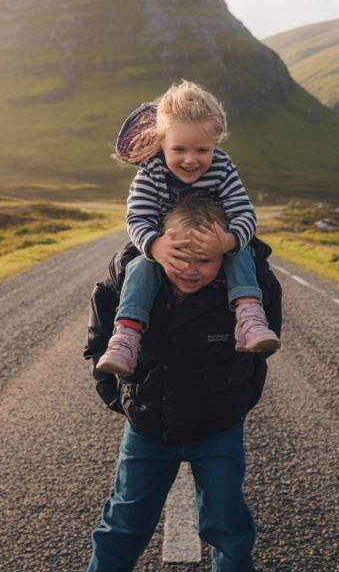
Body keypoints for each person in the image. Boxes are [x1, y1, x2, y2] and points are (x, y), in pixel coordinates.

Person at [85, 193, 282, 571]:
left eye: (204, 260)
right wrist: (119, 397)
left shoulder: (254, 290)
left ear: (227, 254)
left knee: (228, 525)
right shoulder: (125, 280)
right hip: (147, 425)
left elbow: (260, 352)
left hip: (219, 426)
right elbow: (98, 342)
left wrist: (238, 400)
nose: (190, 269)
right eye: (179, 257)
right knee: (123, 524)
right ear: (158, 244)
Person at [95, 80, 280, 377]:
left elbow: (244, 211)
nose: (191, 159)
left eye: (202, 150)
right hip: (166, 244)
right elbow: (137, 217)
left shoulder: (223, 167)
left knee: (242, 253)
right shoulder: (151, 170)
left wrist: (229, 241)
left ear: (216, 143)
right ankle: (126, 336)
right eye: (179, 149)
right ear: (162, 142)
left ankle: (249, 317)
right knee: (140, 266)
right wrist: (154, 246)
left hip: (213, 240)